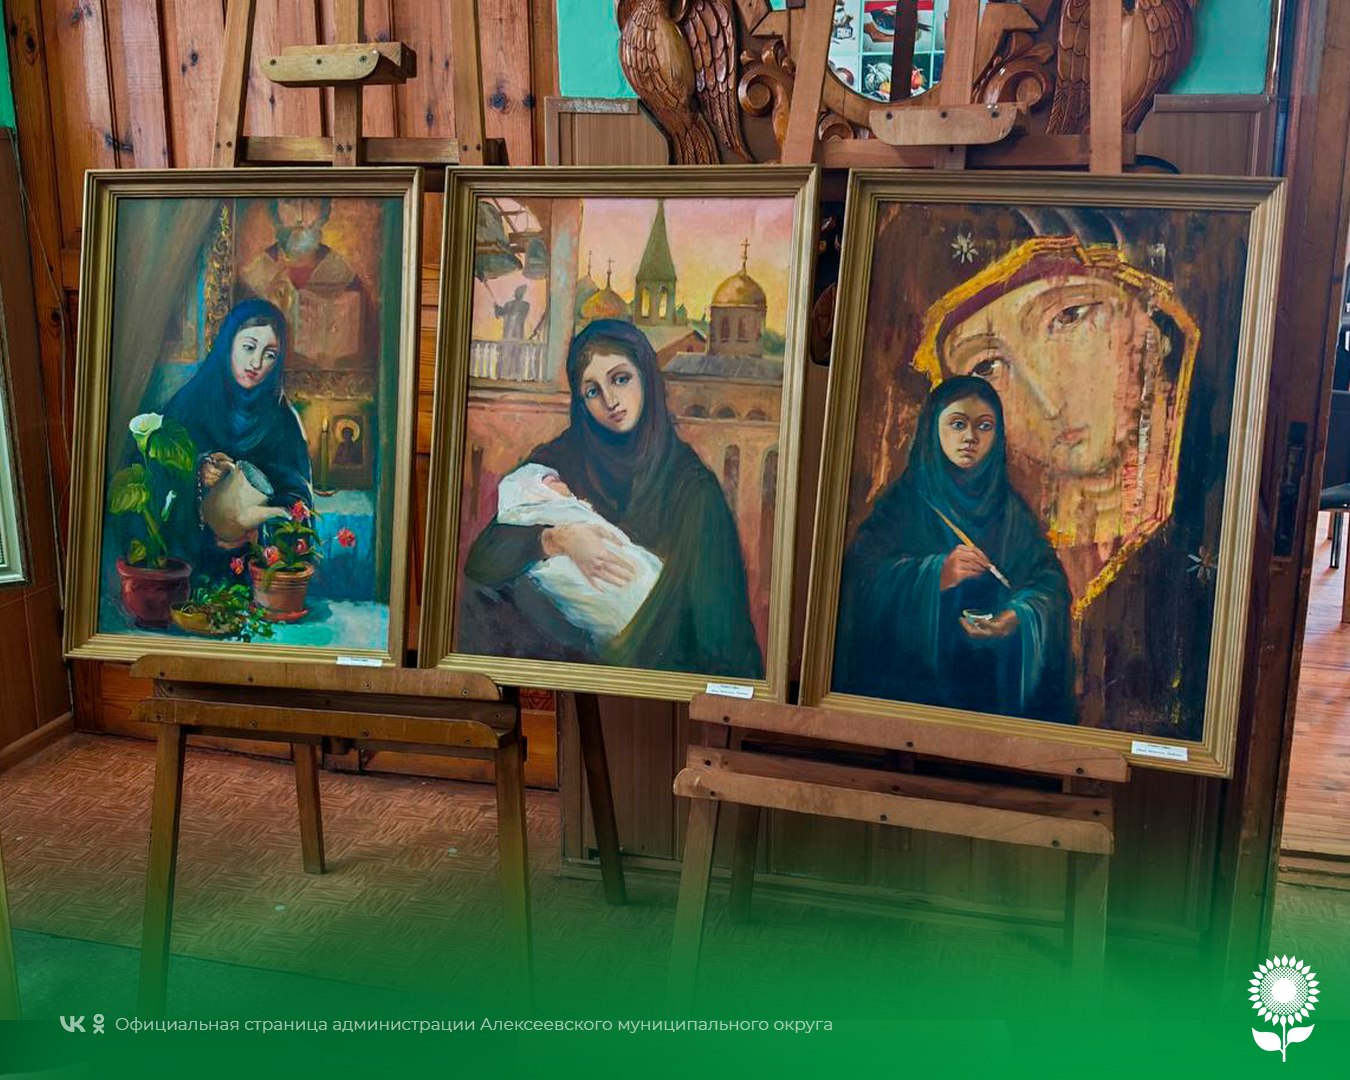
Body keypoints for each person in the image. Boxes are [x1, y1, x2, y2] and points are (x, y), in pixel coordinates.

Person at [459, 318, 763, 678]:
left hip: (652, 662)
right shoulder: (564, 457)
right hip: (568, 661)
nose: (610, 401)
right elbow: (483, 559)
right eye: (592, 391)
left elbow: (719, 635)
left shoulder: (693, 488)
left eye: (620, 379)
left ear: (646, 377)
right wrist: (557, 540)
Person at [833, 376, 1074, 723]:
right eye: (958, 424)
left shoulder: (1011, 512)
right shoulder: (903, 505)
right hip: (913, 697)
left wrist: (1014, 617)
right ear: (933, 428)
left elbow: (1049, 584)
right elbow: (859, 582)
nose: (970, 438)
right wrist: (935, 573)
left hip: (992, 698)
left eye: (984, 426)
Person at [160, 297, 313, 579]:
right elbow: (155, 474)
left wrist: (259, 531)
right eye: (249, 347)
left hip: (254, 573)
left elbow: (298, 496)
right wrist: (198, 470)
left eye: (270, 354)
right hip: (187, 569)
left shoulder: (282, 421)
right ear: (228, 344)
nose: (256, 362)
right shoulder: (190, 405)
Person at [494, 462, 663, 645]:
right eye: (552, 481)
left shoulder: (576, 506)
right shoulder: (539, 516)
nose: (562, 483)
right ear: (535, 492)